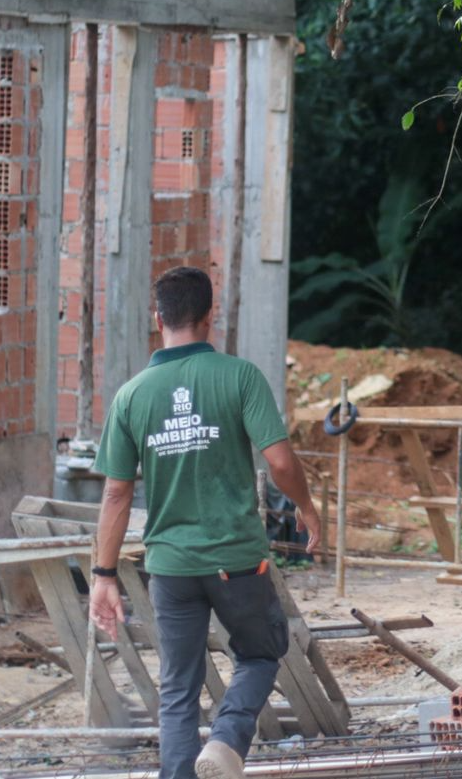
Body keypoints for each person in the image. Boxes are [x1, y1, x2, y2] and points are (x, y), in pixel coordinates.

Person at [88, 266, 322, 779]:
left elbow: (116, 492)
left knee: (178, 688)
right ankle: (227, 739)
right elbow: (280, 463)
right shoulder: (239, 377)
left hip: (170, 568)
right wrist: (305, 506)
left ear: (159, 320)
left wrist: (103, 577)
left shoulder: (131, 396)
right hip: (235, 560)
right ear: (210, 317)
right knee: (261, 653)